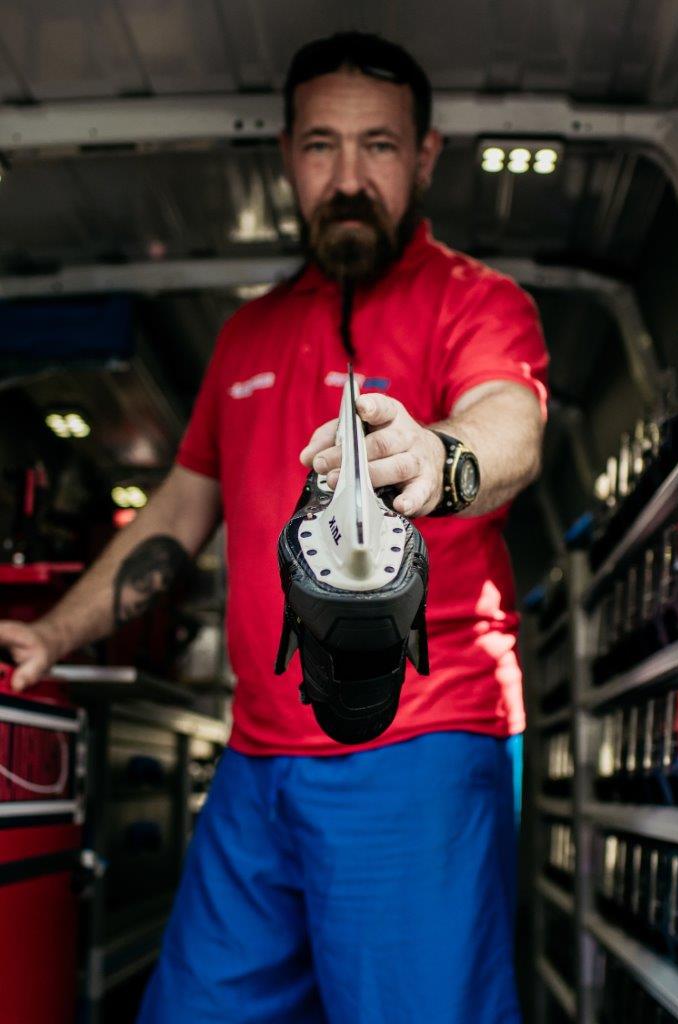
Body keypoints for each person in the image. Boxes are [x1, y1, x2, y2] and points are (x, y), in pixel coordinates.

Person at [0, 32, 548, 1024]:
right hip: (256, 760)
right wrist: (53, 633)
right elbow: (180, 509)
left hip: (419, 749)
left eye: (379, 146)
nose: (348, 179)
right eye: (322, 146)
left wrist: (443, 458)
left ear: (424, 156)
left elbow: (511, 421)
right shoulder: (245, 335)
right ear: (289, 154)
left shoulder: (476, 302)